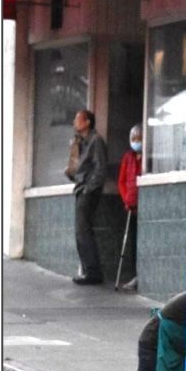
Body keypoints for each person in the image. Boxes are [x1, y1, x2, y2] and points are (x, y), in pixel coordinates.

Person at [67, 109, 109, 286]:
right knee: (80, 232)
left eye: (78, 119)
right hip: (80, 187)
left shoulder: (95, 140)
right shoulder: (81, 142)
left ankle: (92, 272)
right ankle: (87, 269)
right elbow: (77, 169)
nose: (75, 122)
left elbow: (100, 168)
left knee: (83, 231)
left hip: (87, 190)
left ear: (87, 122)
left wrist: (88, 189)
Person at [115, 125, 143, 292]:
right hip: (130, 206)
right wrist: (127, 199)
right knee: (132, 241)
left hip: (143, 205)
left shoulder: (146, 157)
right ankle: (134, 274)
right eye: (133, 139)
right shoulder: (128, 157)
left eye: (139, 139)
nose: (136, 142)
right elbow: (122, 181)